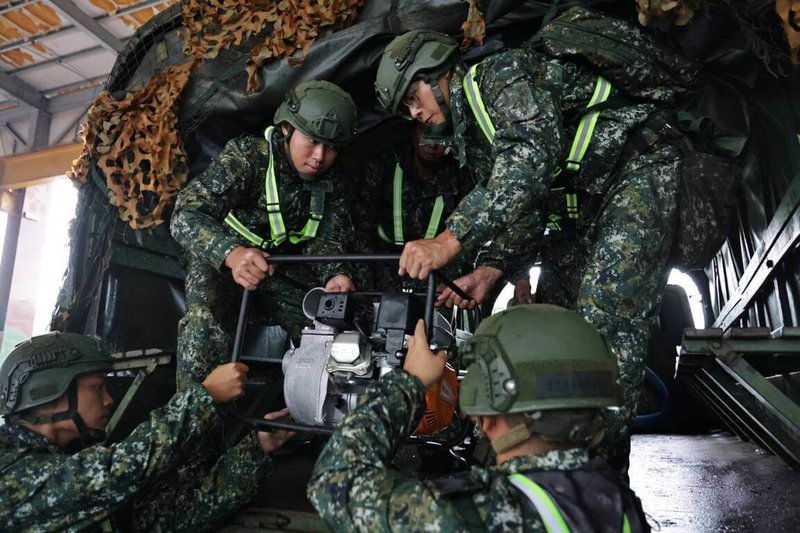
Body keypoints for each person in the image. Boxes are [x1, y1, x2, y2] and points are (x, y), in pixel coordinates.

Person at [373, 26, 690, 474]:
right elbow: (525, 206)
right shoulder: (472, 133)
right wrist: (492, 270)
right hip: (579, 204)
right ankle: (553, 472)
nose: (416, 113)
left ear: (437, 71)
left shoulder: (499, 75)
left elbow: (530, 159)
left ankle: (601, 482)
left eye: (413, 97)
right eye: (407, 108)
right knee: (553, 325)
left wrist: (448, 240)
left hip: (636, 170)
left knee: (605, 321)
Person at [308, 304, 649, 531]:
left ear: (486, 415)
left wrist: (409, 384)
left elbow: (335, 482)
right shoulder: (620, 503)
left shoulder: (474, 512)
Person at [0, 331, 293, 531]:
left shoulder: (55, 461)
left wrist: (257, 447)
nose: (108, 399)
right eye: (97, 388)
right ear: (51, 396)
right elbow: (124, 468)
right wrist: (205, 396)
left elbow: (172, 519)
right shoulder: (13, 481)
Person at [171, 80, 359, 387]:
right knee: (203, 328)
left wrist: (334, 274)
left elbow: (327, 237)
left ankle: (317, 412)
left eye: (332, 147)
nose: (319, 156)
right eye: (311, 141)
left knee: (324, 333)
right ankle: (193, 416)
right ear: (286, 128)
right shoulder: (249, 158)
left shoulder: (331, 179)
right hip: (221, 262)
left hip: (275, 266)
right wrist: (231, 254)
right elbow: (185, 214)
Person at [346, 122, 474, 291]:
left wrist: (448, 282)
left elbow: (466, 238)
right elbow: (360, 229)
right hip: (383, 263)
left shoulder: (460, 176)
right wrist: (367, 285)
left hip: (435, 271)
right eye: (426, 133)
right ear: (413, 132)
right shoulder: (385, 165)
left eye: (440, 137)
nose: (432, 143)